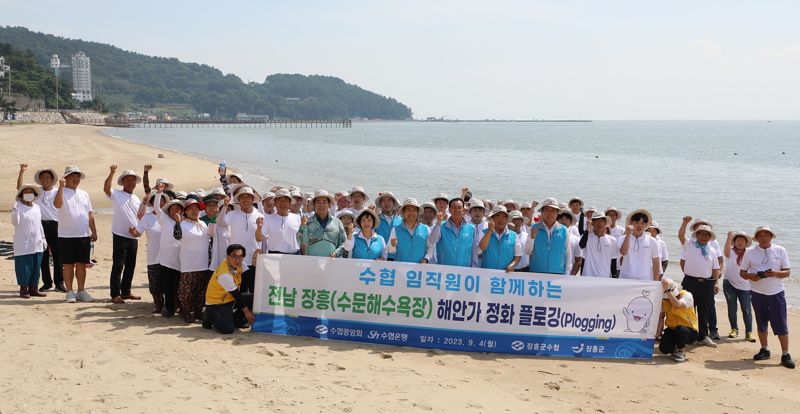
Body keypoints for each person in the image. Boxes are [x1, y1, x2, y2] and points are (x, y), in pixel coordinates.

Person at [739, 226, 794, 369]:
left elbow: (787, 272)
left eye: (766, 235)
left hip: (776, 293)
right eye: (760, 235)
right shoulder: (749, 252)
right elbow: (743, 273)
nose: (763, 238)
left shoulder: (780, 250)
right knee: (761, 323)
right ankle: (764, 349)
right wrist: (753, 277)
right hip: (757, 293)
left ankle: (785, 354)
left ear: (771, 236)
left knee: (781, 325)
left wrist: (775, 273)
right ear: (756, 238)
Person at [17, 164, 65, 292]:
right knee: (42, 255)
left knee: (58, 255)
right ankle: (47, 283)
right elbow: (20, 189)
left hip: (55, 225)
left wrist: (61, 186)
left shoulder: (57, 191)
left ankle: (59, 283)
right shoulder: (36, 192)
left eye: (48, 177)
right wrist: (21, 172)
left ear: (52, 179)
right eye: (43, 177)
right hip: (40, 225)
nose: (45, 180)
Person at [53, 166, 97, 303]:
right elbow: (57, 204)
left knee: (82, 264)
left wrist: (94, 231)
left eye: (78, 176)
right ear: (66, 177)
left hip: (83, 234)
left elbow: (90, 214)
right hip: (66, 235)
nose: (76, 179)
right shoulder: (60, 192)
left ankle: (81, 291)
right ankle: (70, 292)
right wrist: (61, 186)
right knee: (68, 265)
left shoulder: (84, 194)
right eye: (72, 176)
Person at [678, 217, 725, 339]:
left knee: (704, 311)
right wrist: (685, 223)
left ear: (710, 237)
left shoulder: (712, 250)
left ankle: (703, 336)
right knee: (688, 308)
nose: (704, 237)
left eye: (706, 235)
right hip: (690, 282)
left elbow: (715, 269)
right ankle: (688, 335)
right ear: (696, 235)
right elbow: (681, 236)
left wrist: (715, 283)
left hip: (706, 284)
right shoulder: (690, 245)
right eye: (701, 234)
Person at [103, 166, 143, 304]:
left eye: (133, 180)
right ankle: (115, 294)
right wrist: (112, 173)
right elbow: (106, 189)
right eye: (128, 180)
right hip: (120, 235)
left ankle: (126, 292)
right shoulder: (117, 194)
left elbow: (140, 216)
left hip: (133, 237)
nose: (131, 182)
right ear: (123, 182)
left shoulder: (137, 198)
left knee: (130, 266)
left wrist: (138, 231)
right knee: (118, 265)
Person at [173, 199, 214, 323]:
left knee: (201, 290)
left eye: (196, 208)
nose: (194, 210)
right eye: (191, 208)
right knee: (187, 290)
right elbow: (177, 236)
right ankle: (185, 311)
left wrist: (213, 219)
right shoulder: (182, 224)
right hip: (188, 264)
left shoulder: (203, 224)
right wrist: (177, 222)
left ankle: (198, 310)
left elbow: (210, 235)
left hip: (203, 263)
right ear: (185, 211)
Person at [217, 186, 264, 293]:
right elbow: (220, 223)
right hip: (236, 260)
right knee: (238, 290)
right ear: (238, 200)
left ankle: (251, 310)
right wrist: (225, 206)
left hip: (253, 260)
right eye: (242, 197)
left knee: (253, 291)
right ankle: (239, 310)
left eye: (248, 197)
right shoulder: (232, 214)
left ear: (252, 199)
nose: (245, 199)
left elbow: (259, 239)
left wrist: (260, 227)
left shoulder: (259, 215)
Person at [129, 192, 168, 313]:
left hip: (169, 257)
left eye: (162, 200)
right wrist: (133, 232)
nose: (160, 202)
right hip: (153, 256)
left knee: (169, 283)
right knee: (154, 284)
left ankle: (170, 305)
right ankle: (158, 305)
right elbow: (138, 233)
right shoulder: (147, 217)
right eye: (157, 200)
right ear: (152, 202)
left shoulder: (170, 216)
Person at [203, 244, 256, 334]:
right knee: (227, 329)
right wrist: (247, 313)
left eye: (240, 256)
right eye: (234, 256)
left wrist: (255, 265)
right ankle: (209, 315)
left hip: (230, 298)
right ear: (228, 257)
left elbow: (250, 279)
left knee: (253, 298)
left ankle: (234, 318)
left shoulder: (241, 264)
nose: (237, 260)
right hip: (217, 303)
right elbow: (237, 295)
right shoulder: (224, 275)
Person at [11, 184, 47, 298]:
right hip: (23, 242)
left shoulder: (36, 207)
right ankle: (23, 289)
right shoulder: (18, 206)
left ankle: (33, 288)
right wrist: (16, 209)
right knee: (24, 266)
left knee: (36, 266)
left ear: (34, 195)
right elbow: (15, 222)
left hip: (37, 241)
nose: (28, 194)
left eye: (31, 192)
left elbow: (39, 224)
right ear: (21, 195)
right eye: (26, 192)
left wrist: (43, 238)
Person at [153, 185, 183, 317]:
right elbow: (156, 208)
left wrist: (179, 222)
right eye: (173, 208)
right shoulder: (164, 219)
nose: (176, 211)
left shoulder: (186, 222)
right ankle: (170, 308)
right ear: (169, 211)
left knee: (180, 286)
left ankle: (181, 307)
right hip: (166, 260)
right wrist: (159, 193)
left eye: (178, 208)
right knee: (168, 286)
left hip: (181, 260)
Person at [723, 231, 755, 342]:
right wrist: (728, 238)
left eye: (742, 240)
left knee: (746, 309)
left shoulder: (750, 253)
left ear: (746, 243)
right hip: (729, 284)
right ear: (734, 242)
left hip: (745, 286)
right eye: (738, 240)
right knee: (732, 308)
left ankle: (749, 332)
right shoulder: (730, 251)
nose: (740, 242)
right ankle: (734, 329)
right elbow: (725, 252)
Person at [657, 278, 699, 363]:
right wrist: (657, 333)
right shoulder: (664, 300)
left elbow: (677, 305)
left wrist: (667, 291)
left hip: (688, 330)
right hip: (672, 328)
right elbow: (661, 317)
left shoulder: (687, 295)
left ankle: (681, 351)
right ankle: (675, 348)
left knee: (681, 329)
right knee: (664, 349)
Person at [429, 198, 479, 268]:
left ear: (463, 210)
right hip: (444, 269)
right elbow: (432, 240)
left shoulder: (471, 228)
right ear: (449, 210)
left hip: (465, 270)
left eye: (459, 208)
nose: (456, 210)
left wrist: (474, 268)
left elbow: (474, 251)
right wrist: (438, 223)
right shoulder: (441, 226)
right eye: (454, 207)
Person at [298, 190, 347, 258]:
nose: (321, 205)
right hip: (311, 262)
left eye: (324, 202)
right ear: (314, 205)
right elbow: (301, 242)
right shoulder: (307, 222)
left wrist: (336, 253)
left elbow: (344, 243)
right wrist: (303, 226)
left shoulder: (337, 222)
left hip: (331, 262)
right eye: (318, 202)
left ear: (329, 205)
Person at [387, 198, 435, 263]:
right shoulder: (395, 229)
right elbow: (390, 251)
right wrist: (392, 246)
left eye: (414, 210)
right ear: (403, 212)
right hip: (401, 269)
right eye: (408, 210)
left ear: (418, 212)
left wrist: (426, 259)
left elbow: (430, 248)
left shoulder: (425, 228)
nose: (411, 212)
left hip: (420, 269)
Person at [618, 209, 660, 281]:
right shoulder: (622, 238)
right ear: (631, 223)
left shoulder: (652, 241)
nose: (639, 225)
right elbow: (623, 252)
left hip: (644, 279)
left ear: (646, 225)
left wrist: (656, 282)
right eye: (636, 222)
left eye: (643, 223)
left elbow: (656, 262)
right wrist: (628, 234)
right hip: (625, 278)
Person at [529, 198, 569, 274]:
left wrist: (567, 273)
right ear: (542, 212)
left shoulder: (564, 230)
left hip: (558, 273)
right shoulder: (534, 227)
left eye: (553, 211)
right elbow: (527, 251)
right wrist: (531, 238)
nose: (549, 213)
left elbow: (568, 253)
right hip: (537, 272)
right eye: (546, 210)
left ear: (557, 213)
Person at [478, 206, 521, 272]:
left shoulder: (514, 235)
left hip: (506, 275)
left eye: (504, 217)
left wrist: (513, 264)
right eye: (497, 216)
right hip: (486, 274)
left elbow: (518, 255)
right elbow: (482, 247)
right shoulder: (484, 232)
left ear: (507, 220)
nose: (501, 220)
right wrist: (489, 231)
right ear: (492, 219)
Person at [577, 213, 619, 278]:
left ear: (605, 224)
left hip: (605, 277)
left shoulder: (612, 240)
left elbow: (613, 260)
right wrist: (588, 228)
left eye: (602, 221)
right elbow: (581, 245)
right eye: (596, 221)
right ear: (592, 223)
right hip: (587, 276)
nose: (599, 223)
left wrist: (614, 277)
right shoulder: (586, 237)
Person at [262, 189, 302, 255]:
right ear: (275, 203)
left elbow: (302, 239)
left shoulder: (297, 218)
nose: (282, 203)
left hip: (294, 256)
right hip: (274, 256)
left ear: (290, 203)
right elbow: (260, 238)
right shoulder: (268, 219)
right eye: (279, 200)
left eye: (285, 201)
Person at [557, 209, 583, 276]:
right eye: (561, 219)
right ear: (557, 221)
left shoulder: (576, 239)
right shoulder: (550, 237)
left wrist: (572, 275)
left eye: (567, 219)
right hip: (552, 273)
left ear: (570, 222)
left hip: (568, 273)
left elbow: (578, 260)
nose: (563, 221)